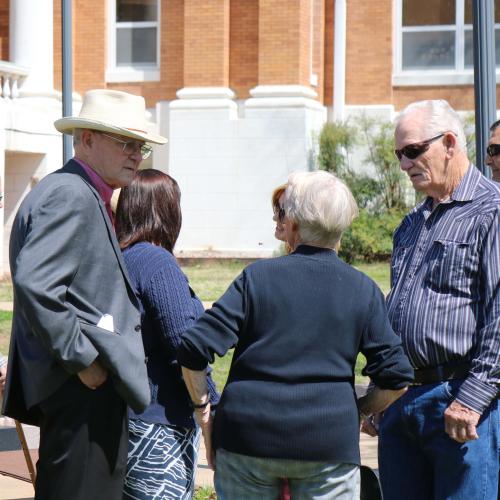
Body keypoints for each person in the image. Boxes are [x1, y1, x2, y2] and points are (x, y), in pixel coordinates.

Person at [178, 170, 413, 499]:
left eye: (282, 212)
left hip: (247, 438)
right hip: (328, 444)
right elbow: (397, 377)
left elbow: (192, 349)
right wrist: (357, 410)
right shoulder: (362, 289)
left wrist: (203, 413)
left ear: (295, 224)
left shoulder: (256, 278)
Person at [1, 89, 167, 500]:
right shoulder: (72, 194)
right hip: (80, 391)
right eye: (124, 143)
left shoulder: (74, 190)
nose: (136, 155)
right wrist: (84, 360)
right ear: (87, 139)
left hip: (77, 390)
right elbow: (36, 283)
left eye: (140, 146)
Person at [364, 99, 500, 500]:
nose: (404, 164)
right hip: (402, 400)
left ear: (450, 143)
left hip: (459, 402)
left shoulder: (492, 212)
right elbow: (396, 311)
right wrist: (380, 390)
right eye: (398, 155)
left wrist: (472, 399)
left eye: (412, 151)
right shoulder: (410, 223)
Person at [115, 169, 219, 500]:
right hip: (159, 428)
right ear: (166, 211)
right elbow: (185, 343)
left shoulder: (122, 258)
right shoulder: (157, 262)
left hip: (126, 420)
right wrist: (208, 402)